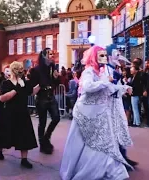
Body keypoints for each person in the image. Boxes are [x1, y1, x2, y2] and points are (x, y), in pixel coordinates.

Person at [60, 46, 133, 180]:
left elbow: (109, 88)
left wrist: (124, 87)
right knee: (83, 142)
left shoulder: (101, 72)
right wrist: (104, 82)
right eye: (101, 55)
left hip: (98, 112)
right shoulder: (89, 71)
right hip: (85, 113)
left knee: (103, 141)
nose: (104, 58)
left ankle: (110, 170)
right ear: (94, 57)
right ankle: (84, 169)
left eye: (105, 55)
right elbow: (88, 87)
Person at [0, 61, 40, 168]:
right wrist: (17, 89)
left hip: (22, 113)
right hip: (9, 113)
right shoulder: (6, 83)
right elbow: (2, 98)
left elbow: (32, 92)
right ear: (14, 70)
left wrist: (41, 84)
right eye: (18, 69)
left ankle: (24, 159)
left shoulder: (24, 83)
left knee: (25, 136)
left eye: (21, 70)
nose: (21, 72)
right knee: (5, 137)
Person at [30, 48, 60, 154]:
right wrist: (39, 86)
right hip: (41, 98)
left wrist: (56, 78)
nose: (52, 56)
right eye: (50, 54)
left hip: (51, 97)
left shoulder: (52, 68)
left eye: (53, 54)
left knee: (56, 118)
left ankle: (46, 137)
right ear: (44, 56)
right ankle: (42, 144)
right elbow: (32, 85)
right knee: (42, 122)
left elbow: (56, 83)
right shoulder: (36, 70)